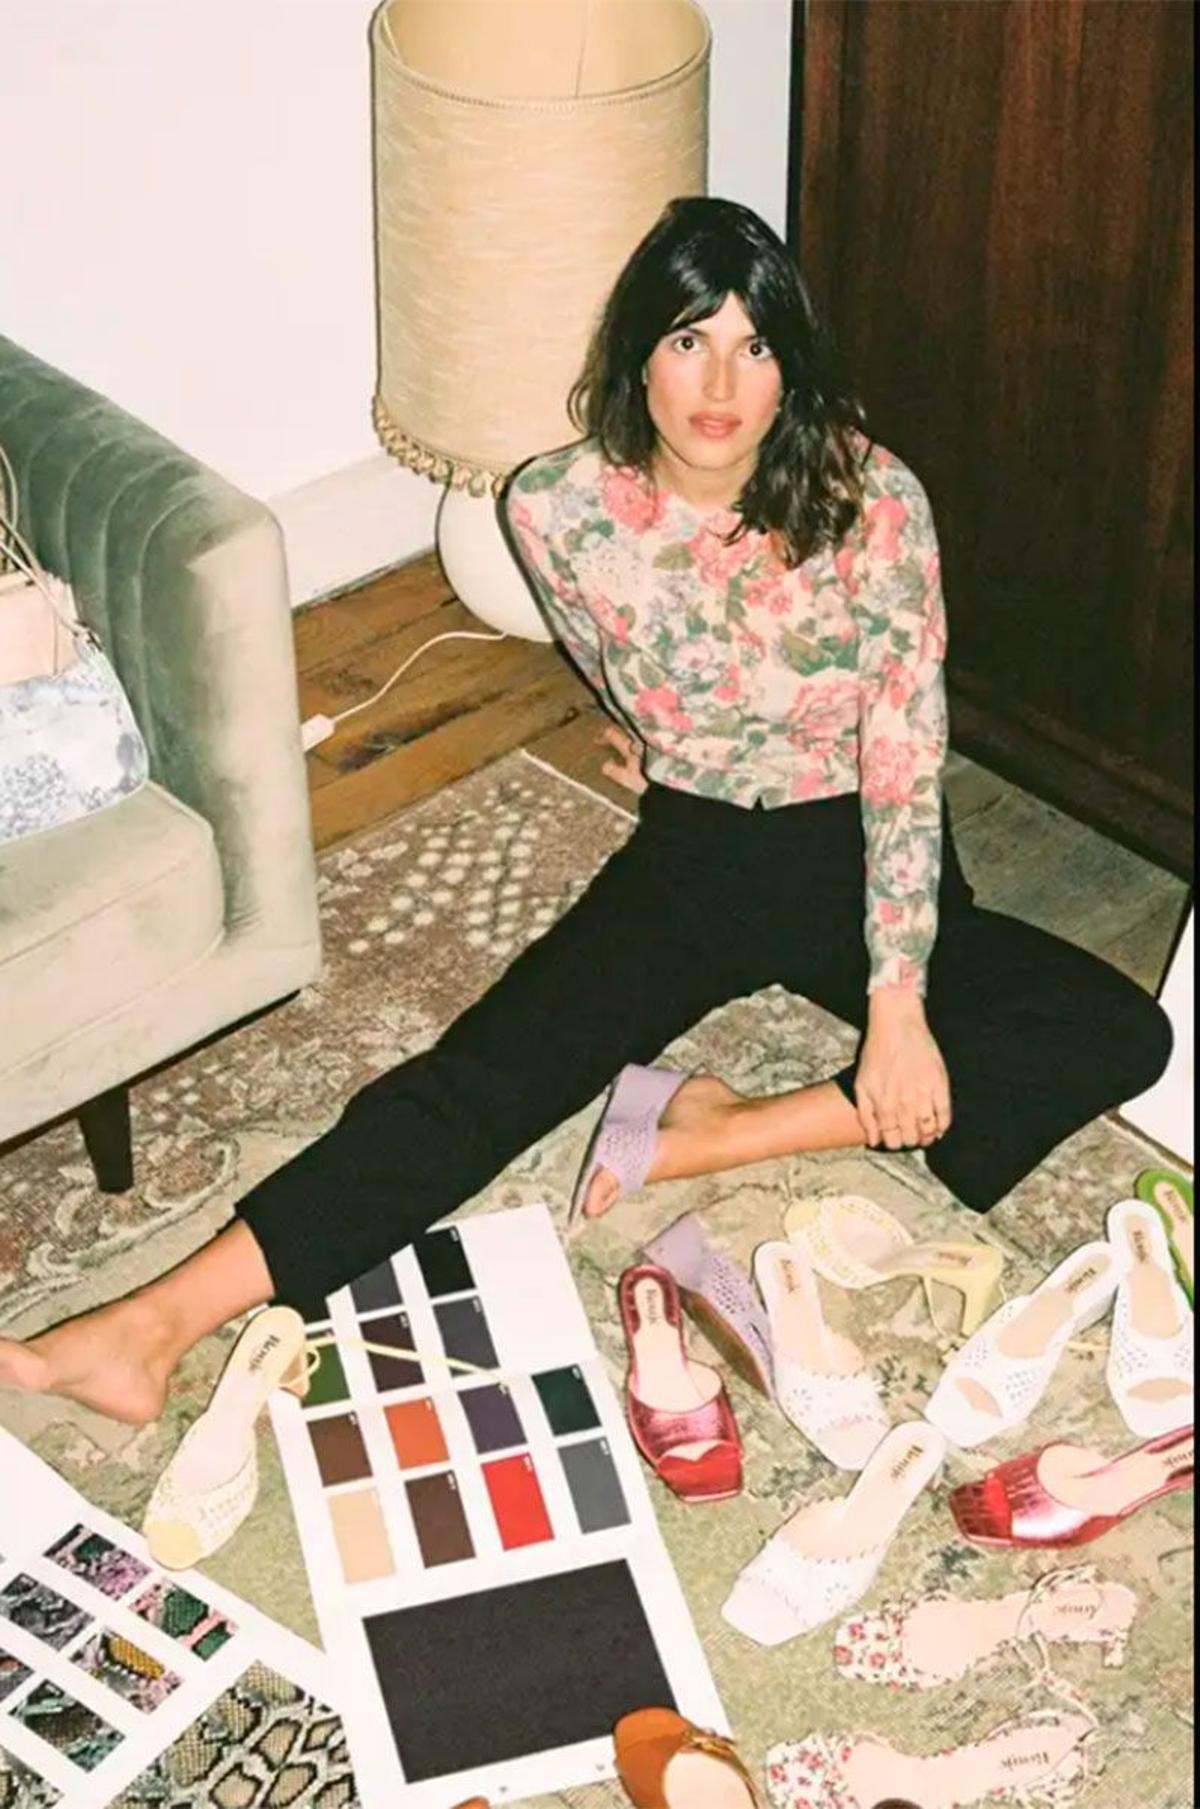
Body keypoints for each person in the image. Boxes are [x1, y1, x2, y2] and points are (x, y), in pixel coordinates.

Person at [0, 198, 1171, 1427]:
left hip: (856, 843)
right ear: (636, 354)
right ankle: (148, 1328)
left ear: (792, 368)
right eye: (687, 341)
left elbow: (905, 758)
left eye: (756, 347)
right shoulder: (555, 505)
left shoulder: (871, 501)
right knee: (488, 1077)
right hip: (700, 853)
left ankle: (718, 1130)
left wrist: (896, 1005)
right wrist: (667, 742)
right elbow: (605, 646)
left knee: (1112, 1033)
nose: (719, 385)